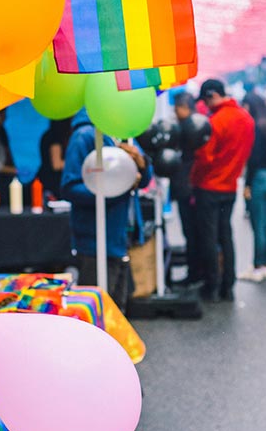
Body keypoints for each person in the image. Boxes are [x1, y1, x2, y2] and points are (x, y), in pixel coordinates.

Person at [61, 108, 151, 312]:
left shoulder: (124, 134)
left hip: (120, 236)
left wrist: (141, 163)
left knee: (117, 312)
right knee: (97, 312)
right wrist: (118, 188)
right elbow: (69, 187)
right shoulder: (83, 136)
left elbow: (142, 180)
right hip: (95, 239)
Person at [191, 79, 255, 302]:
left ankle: (212, 284)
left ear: (211, 96)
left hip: (209, 186)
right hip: (230, 185)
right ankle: (228, 284)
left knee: (209, 237)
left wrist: (194, 178)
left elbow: (205, 158)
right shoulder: (246, 119)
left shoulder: (216, 122)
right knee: (226, 235)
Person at [239, 93, 266, 282]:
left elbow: (253, 160)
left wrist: (247, 183)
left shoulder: (255, 127)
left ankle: (258, 265)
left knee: (258, 223)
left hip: (258, 178)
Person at [169, 91, 201, 285]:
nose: (174, 111)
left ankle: (195, 273)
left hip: (187, 187)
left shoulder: (187, 129)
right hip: (190, 186)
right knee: (193, 232)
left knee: (191, 232)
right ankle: (197, 272)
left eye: (177, 107)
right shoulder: (194, 126)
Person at [37, 118, 72, 200]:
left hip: (50, 180)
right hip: (51, 183)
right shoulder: (54, 137)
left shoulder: (49, 135)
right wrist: (77, 163)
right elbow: (57, 164)